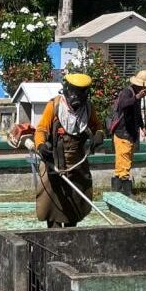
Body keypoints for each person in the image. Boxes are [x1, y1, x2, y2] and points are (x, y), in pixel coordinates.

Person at [33, 73, 105, 228]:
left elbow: (97, 126)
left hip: (77, 164)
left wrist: (99, 135)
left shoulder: (88, 109)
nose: (76, 97)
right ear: (67, 90)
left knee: (75, 199)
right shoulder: (54, 106)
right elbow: (41, 130)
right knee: (52, 199)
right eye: (73, 92)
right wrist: (40, 146)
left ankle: (71, 232)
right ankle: (53, 232)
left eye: (81, 92)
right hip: (54, 162)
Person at [109, 69, 146, 196]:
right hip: (123, 132)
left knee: (122, 161)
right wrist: (137, 97)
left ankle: (117, 189)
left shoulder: (137, 95)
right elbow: (123, 105)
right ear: (140, 85)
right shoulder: (127, 92)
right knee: (125, 161)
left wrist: (143, 127)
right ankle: (126, 191)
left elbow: (137, 114)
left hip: (130, 132)